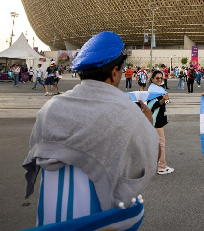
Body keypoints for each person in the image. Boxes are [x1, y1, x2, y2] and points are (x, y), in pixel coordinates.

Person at [22, 31, 158, 227]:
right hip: (100, 220)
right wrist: (147, 125)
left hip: (52, 218)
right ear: (114, 72)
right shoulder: (129, 113)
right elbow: (146, 162)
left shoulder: (50, 109)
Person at [147, 70, 174, 175]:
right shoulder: (153, 91)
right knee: (161, 144)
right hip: (155, 120)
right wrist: (163, 99)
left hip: (157, 120)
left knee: (155, 144)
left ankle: (153, 165)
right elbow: (153, 106)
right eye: (157, 78)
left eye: (161, 78)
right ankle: (162, 167)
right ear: (152, 79)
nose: (159, 80)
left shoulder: (158, 89)